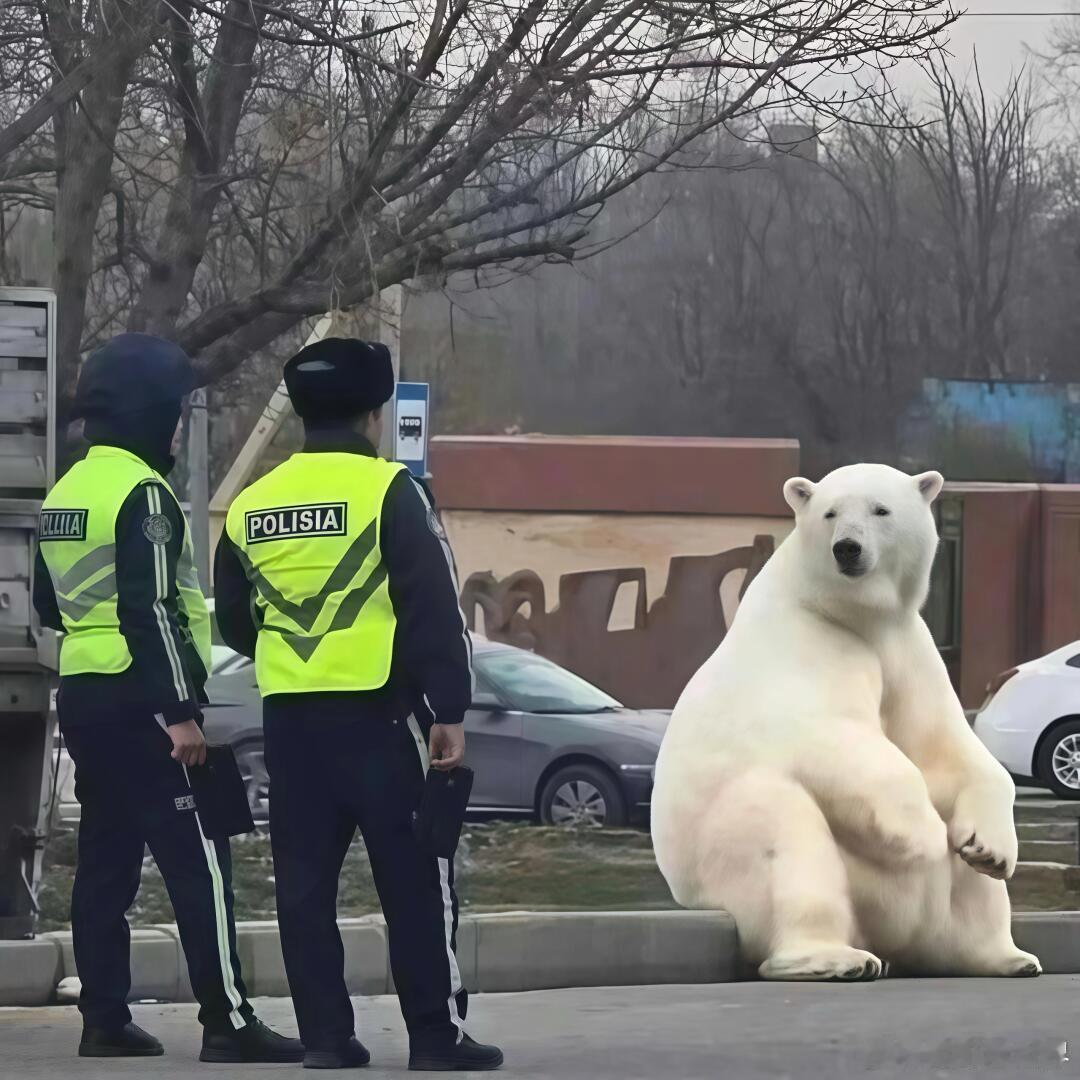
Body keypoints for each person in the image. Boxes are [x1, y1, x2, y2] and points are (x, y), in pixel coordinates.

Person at [214, 338, 503, 1072]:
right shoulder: (390, 491)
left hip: (290, 724)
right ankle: (434, 1038)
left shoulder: (252, 503)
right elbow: (434, 604)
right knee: (414, 881)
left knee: (303, 887)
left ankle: (325, 1040)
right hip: (381, 717)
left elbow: (236, 624)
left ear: (300, 415)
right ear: (375, 416)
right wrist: (448, 709)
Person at [34, 334, 303, 1065]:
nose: (180, 425)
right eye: (175, 410)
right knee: (198, 864)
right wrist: (180, 711)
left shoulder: (65, 493)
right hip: (146, 702)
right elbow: (151, 607)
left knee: (104, 866)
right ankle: (229, 1021)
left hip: (86, 696)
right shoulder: (143, 493)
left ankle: (104, 1018)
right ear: (145, 411)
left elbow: (49, 605)